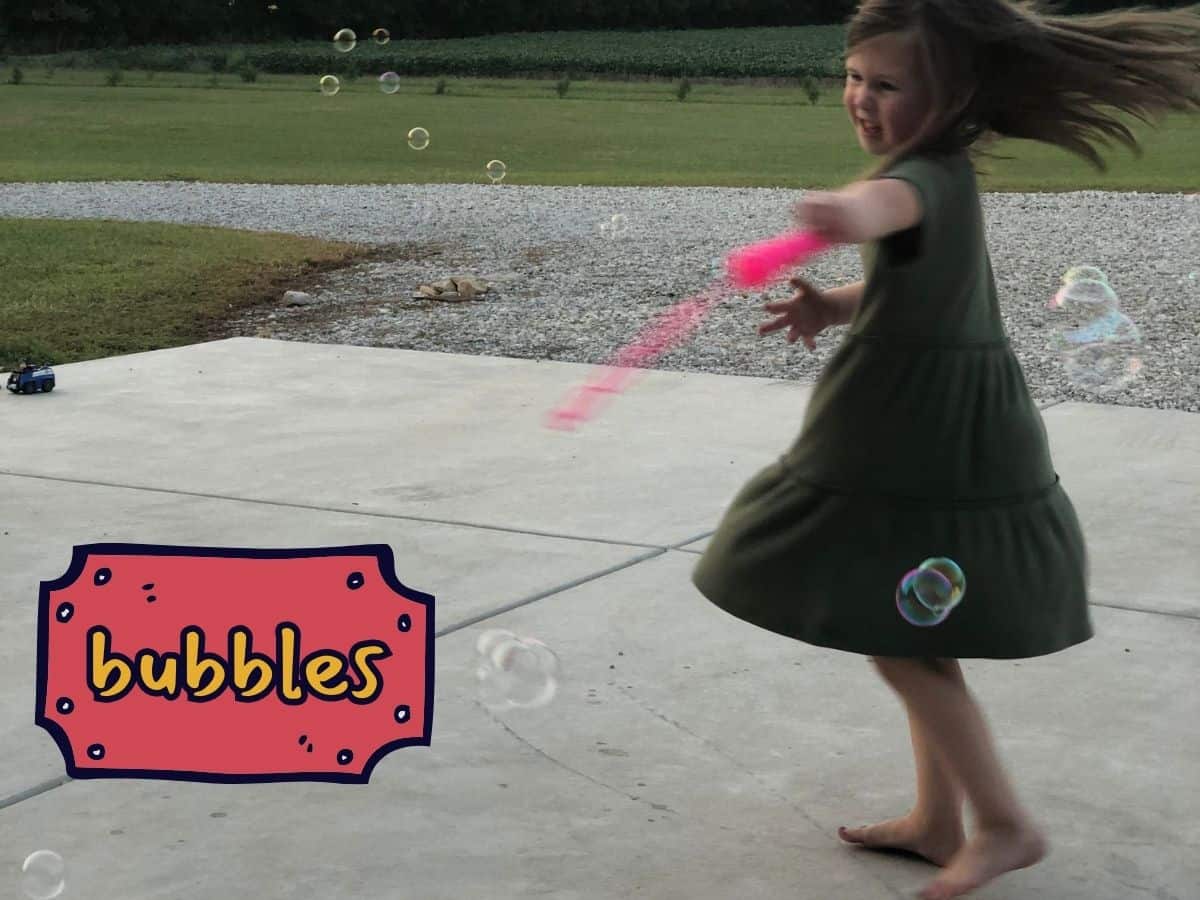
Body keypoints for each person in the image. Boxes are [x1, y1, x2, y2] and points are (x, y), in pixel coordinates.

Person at [691, 2, 1200, 899]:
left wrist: (833, 212)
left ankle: (1004, 824)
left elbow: (877, 211)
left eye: (888, 84)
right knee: (910, 624)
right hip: (914, 428)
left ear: (951, 94)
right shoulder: (935, 174)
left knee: (898, 642)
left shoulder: (920, 177)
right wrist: (833, 305)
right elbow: (911, 275)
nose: (861, 97)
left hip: (926, 439)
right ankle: (938, 822)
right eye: (854, 76)